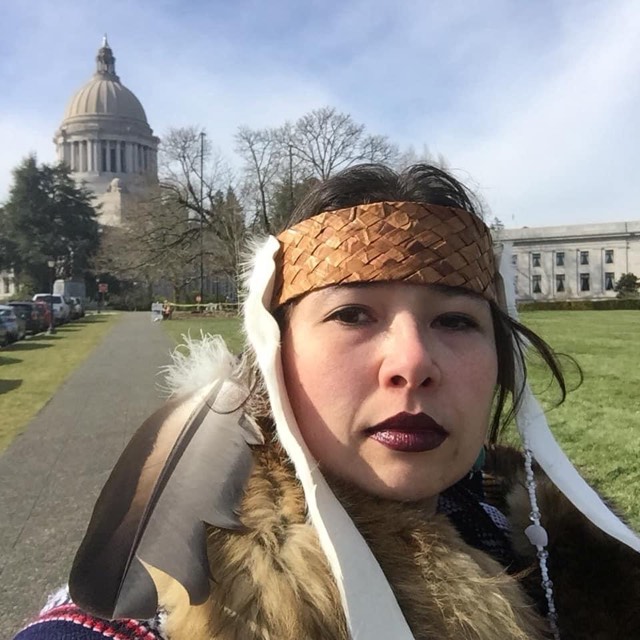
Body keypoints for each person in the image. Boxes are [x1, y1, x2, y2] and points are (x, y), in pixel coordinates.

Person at [15, 164, 640, 640]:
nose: (412, 362)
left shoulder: (546, 536)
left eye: (455, 322)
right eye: (352, 314)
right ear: (274, 356)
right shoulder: (175, 590)